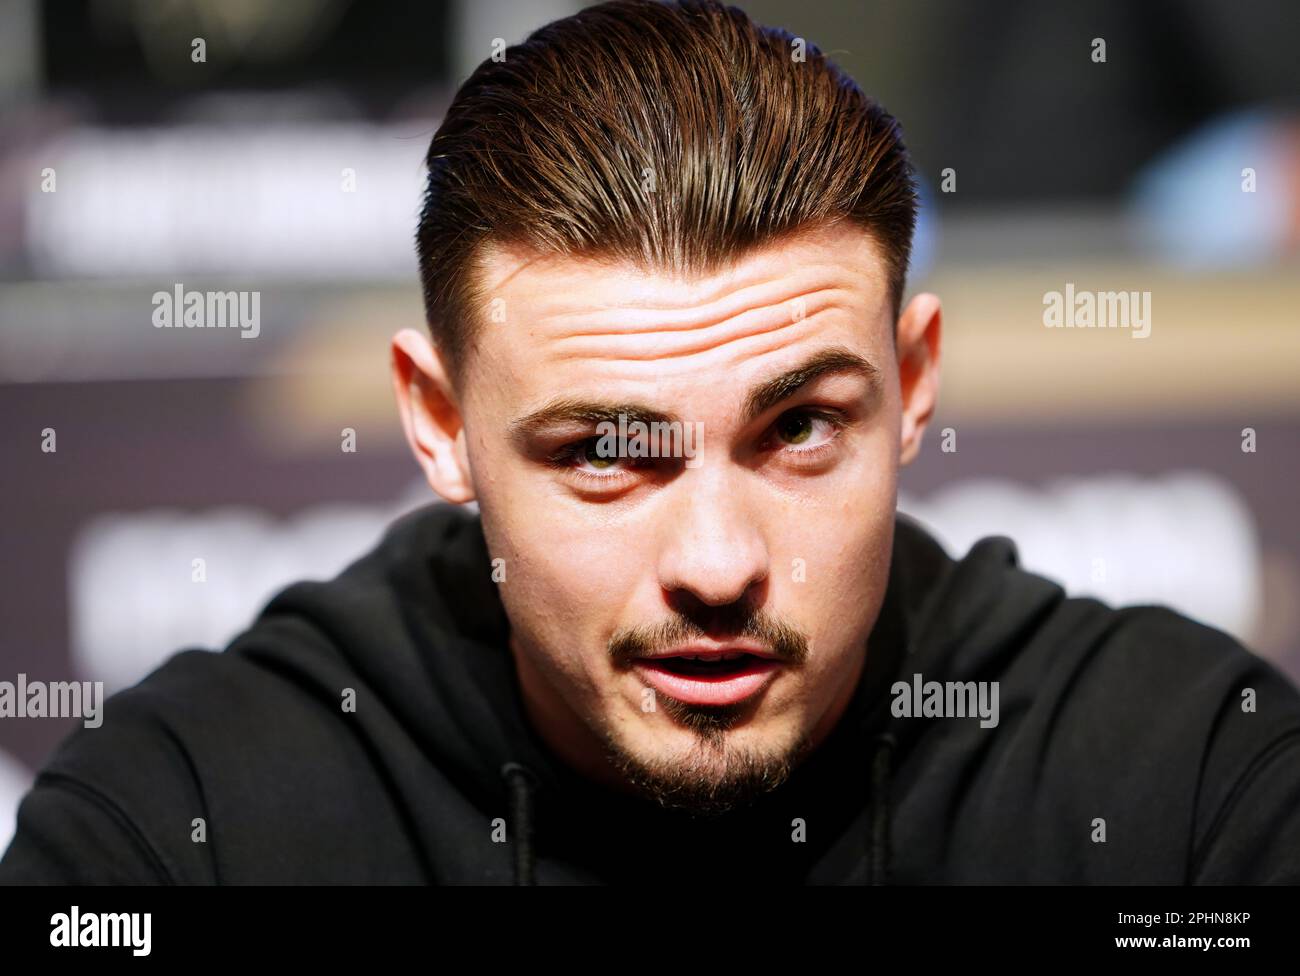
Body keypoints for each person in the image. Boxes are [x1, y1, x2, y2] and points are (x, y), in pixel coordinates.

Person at [3, 0, 1299, 885]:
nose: (720, 563)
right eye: (609, 454)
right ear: (441, 425)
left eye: (798, 429)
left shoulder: (1186, 794)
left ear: (911, 384)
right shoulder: (188, 831)